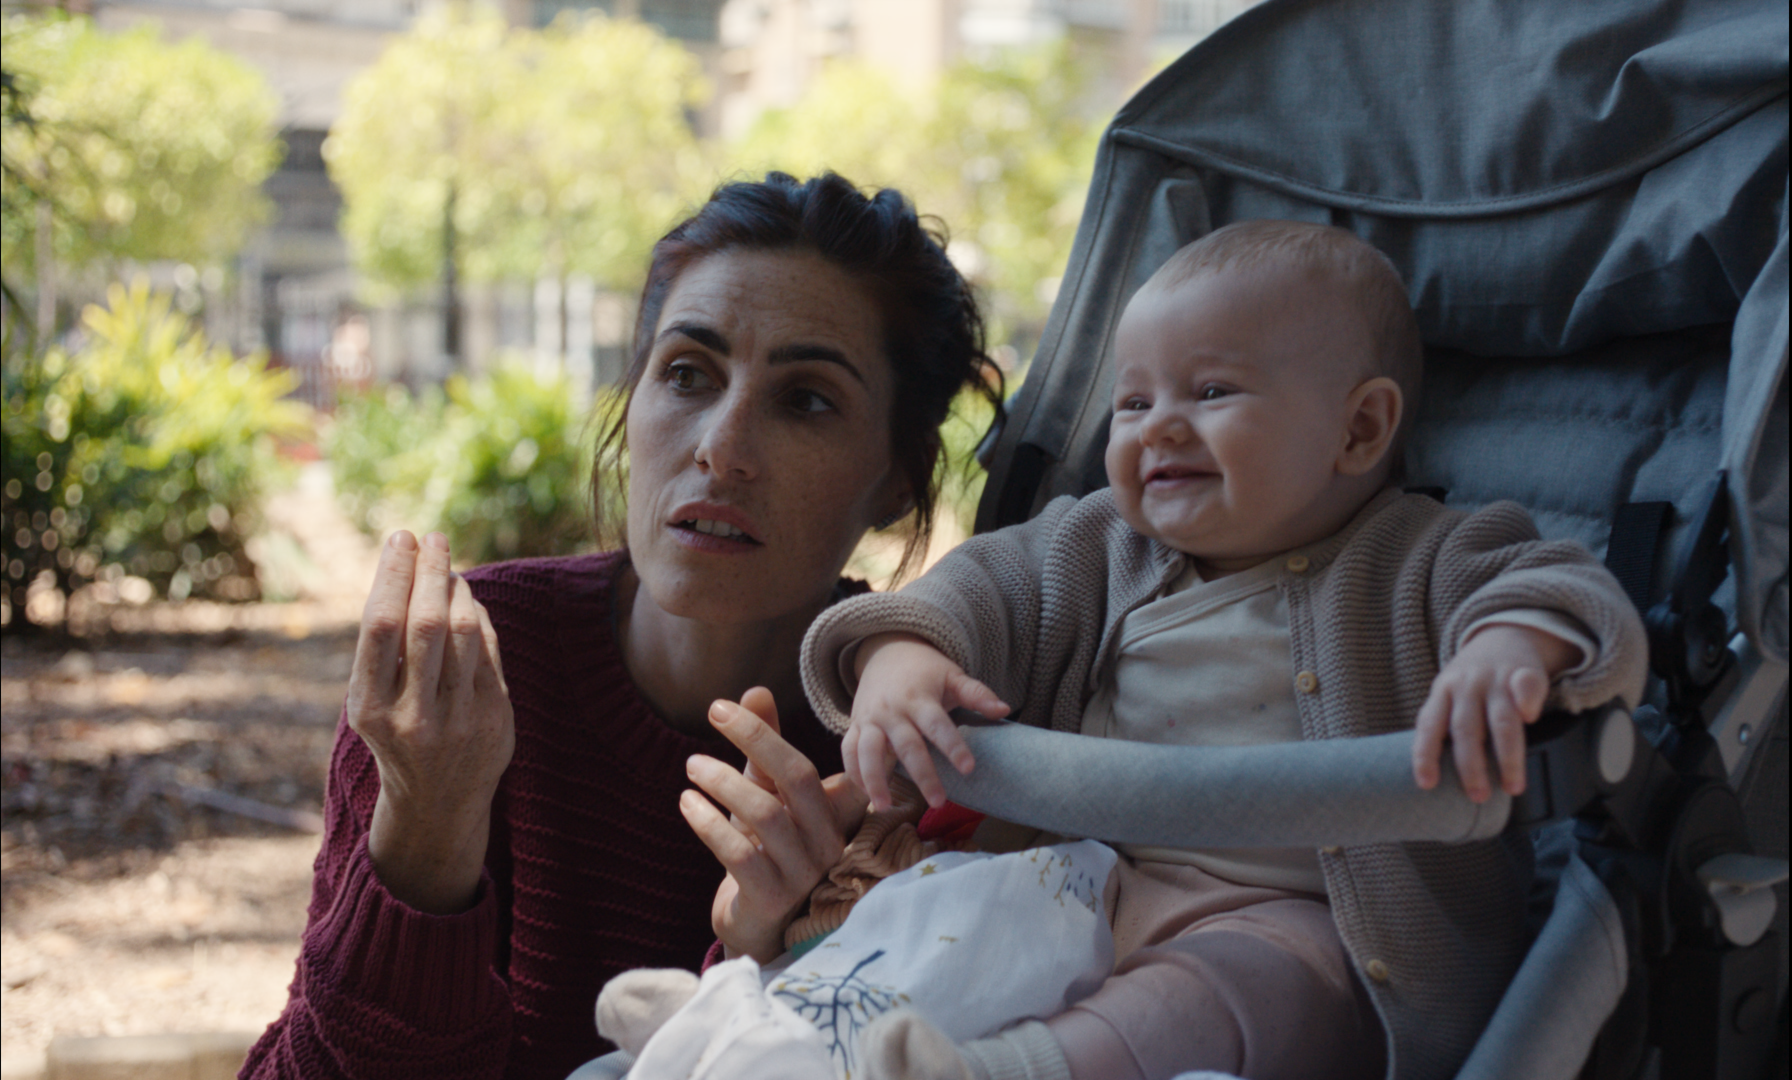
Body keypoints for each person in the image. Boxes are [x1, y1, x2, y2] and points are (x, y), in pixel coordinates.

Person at [784, 220, 1649, 1080]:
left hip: (1304, 934)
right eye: (1133, 402)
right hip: (1079, 887)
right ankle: (766, 1041)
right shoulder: (1101, 544)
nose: (1157, 427)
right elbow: (983, 587)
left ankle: (1001, 1071)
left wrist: (1509, 650)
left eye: (1210, 393)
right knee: (940, 916)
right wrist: (900, 653)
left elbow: (1556, 587)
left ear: (1359, 430)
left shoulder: (1426, 558)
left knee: (1219, 989)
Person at [238, 172, 1003, 1080]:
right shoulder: (471, 673)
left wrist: (763, 956)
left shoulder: (910, 750)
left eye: (805, 399)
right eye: (687, 374)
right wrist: (426, 837)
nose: (721, 445)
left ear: (899, 478)